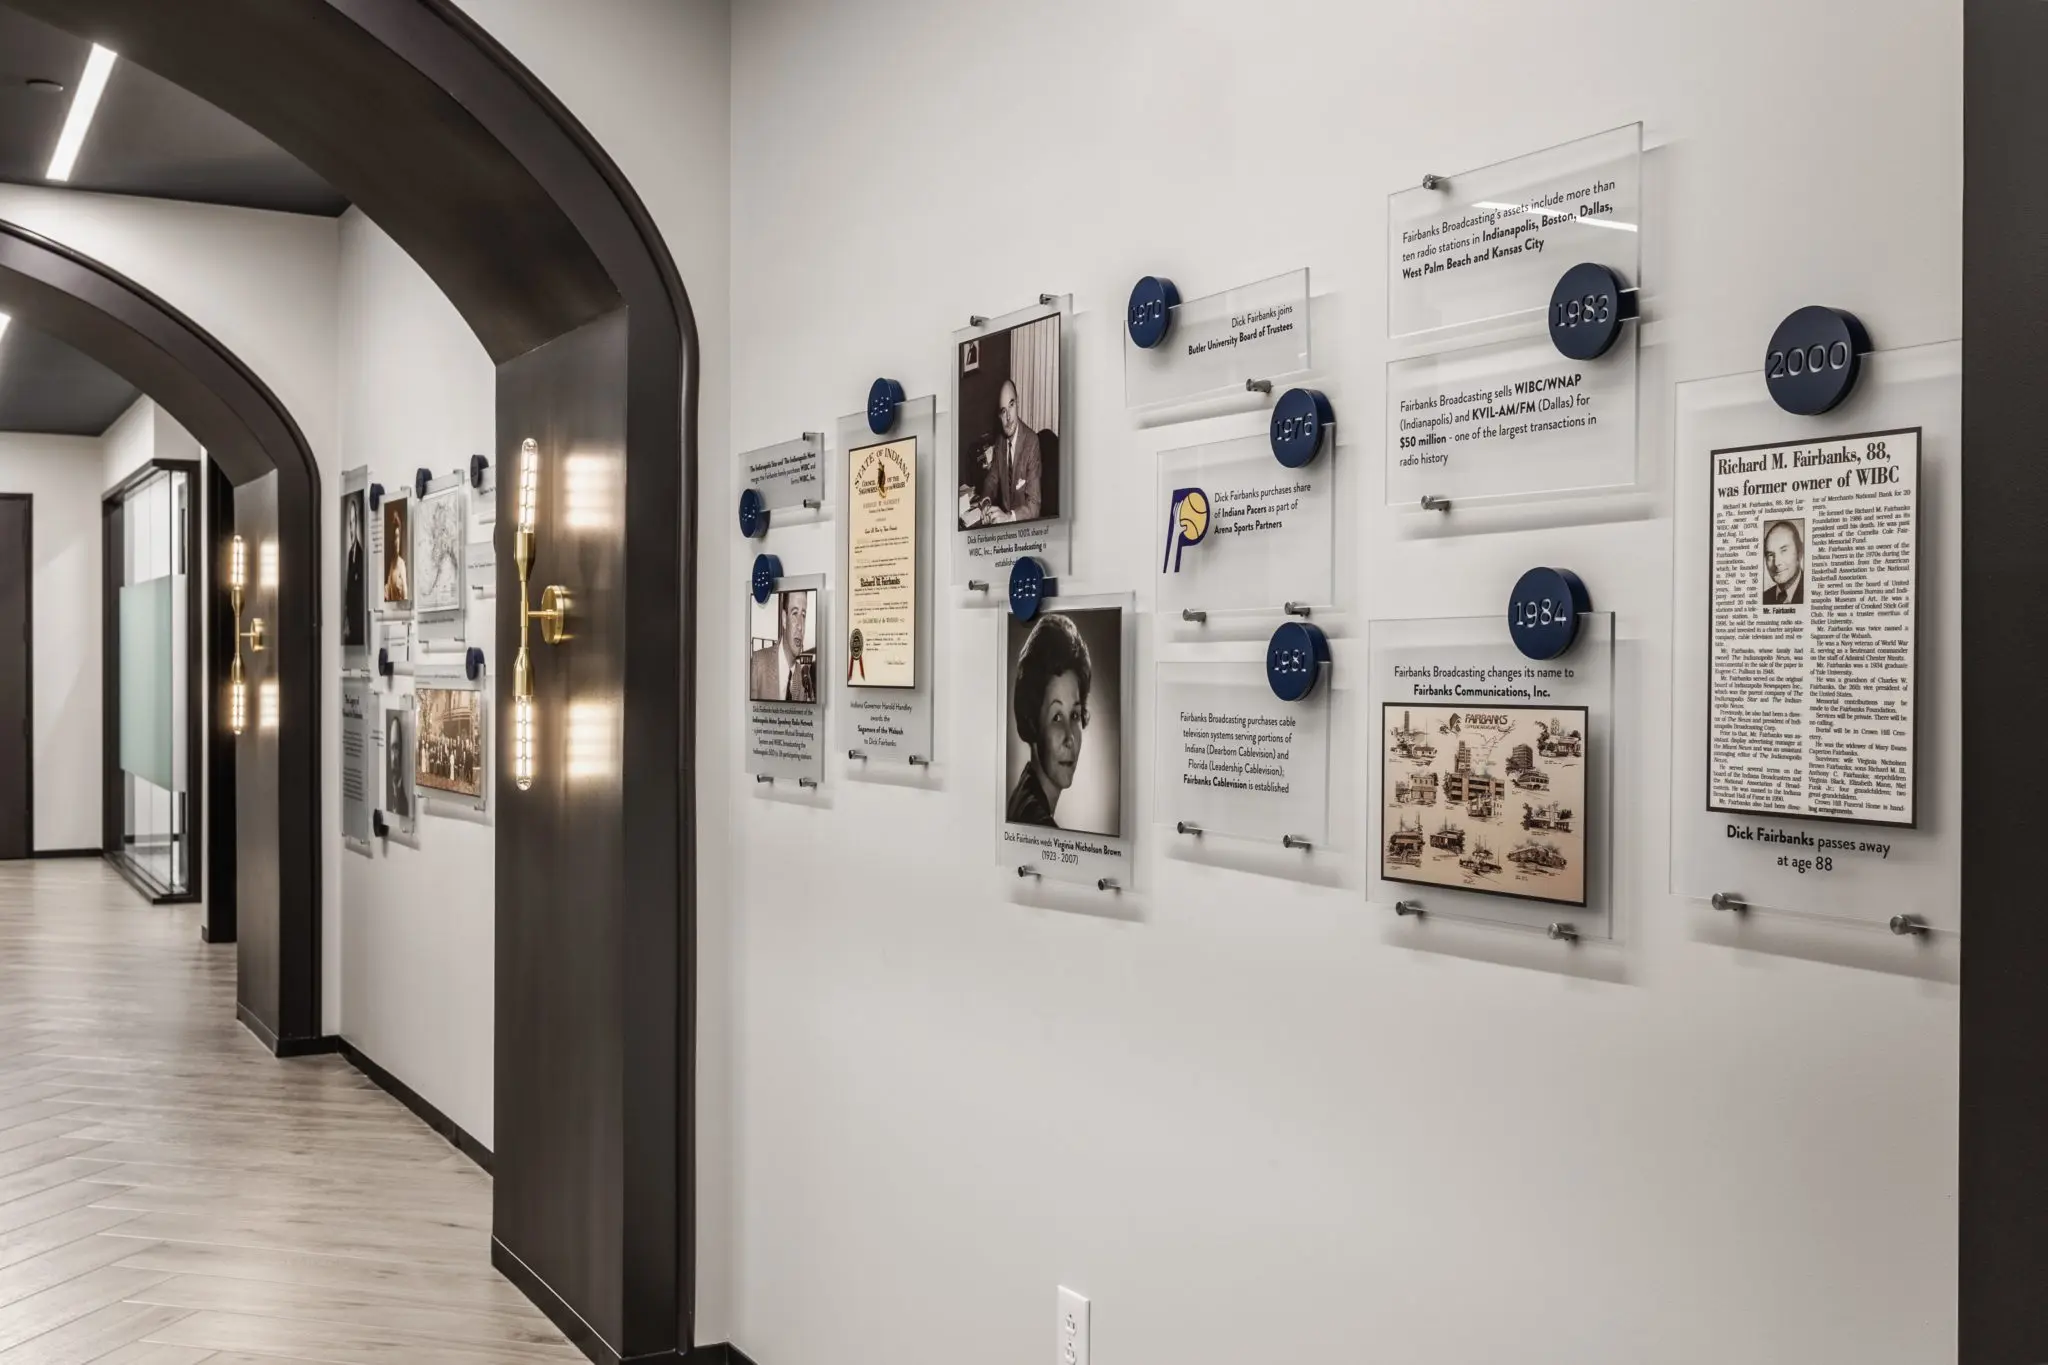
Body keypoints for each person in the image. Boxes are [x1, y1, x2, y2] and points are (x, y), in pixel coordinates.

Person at [1006, 612, 1092, 828]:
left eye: (1074, 715)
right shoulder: (1037, 820)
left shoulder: (1026, 794)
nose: (1070, 738)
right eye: (1056, 717)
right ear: (1032, 722)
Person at [980, 379, 1043, 524]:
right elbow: (992, 479)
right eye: (1003, 411)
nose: (1008, 417)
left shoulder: (1032, 443)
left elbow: (1034, 506)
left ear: (1018, 403)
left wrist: (1009, 517)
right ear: (999, 416)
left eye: (1011, 405)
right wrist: (986, 502)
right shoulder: (1000, 441)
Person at [749, 591, 817, 702]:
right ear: (784, 619)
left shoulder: (805, 678)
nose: (800, 626)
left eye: (803, 615)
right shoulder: (758, 663)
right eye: (795, 613)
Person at [1762, 519, 1804, 605]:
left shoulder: (1811, 590)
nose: (1776, 563)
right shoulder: (1764, 598)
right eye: (1770, 555)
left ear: (1799, 552)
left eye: (1784, 550)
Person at [343, 495, 366, 646]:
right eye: (350, 523)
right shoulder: (350, 553)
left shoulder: (361, 555)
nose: (352, 528)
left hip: (359, 623)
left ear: (357, 523)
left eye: (354, 522)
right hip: (351, 622)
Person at [384, 506, 410, 602]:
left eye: (398, 537)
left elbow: (405, 591)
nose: (397, 542)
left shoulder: (401, 563)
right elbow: (388, 587)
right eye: (395, 538)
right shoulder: (392, 564)